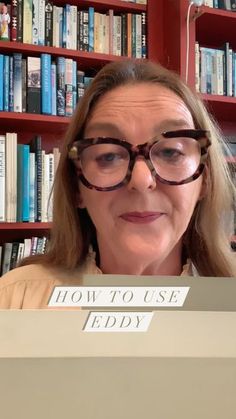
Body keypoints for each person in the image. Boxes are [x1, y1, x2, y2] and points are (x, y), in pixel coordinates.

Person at [0, 59, 235, 308]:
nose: (142, 180)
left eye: (170, 152)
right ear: (77, 186)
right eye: (108, 156)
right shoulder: (14, 301)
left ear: (205, 179)